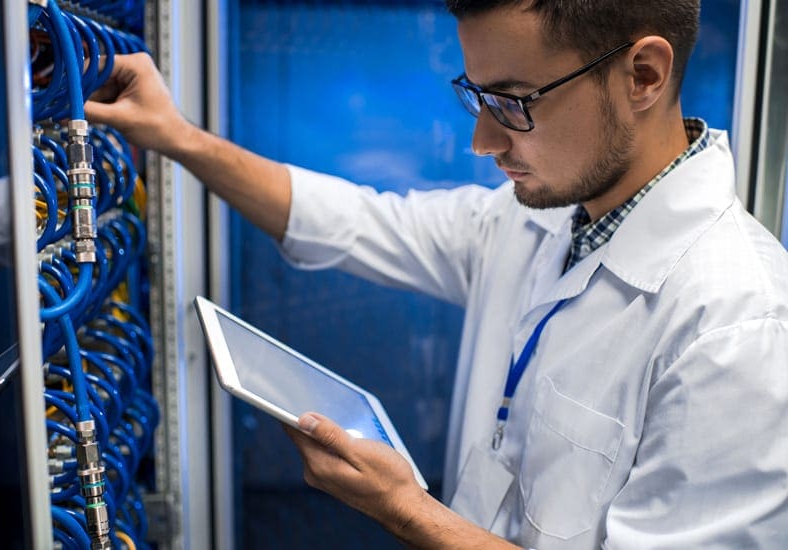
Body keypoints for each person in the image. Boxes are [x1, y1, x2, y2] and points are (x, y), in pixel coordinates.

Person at [85, 0, 788, 547]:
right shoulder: (534, 220)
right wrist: (177, 138)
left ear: (643, 75)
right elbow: (357, 221)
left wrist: (406, 512)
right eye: (476, 96)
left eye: (515, 103)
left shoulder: (737, 323)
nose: (484, 141)